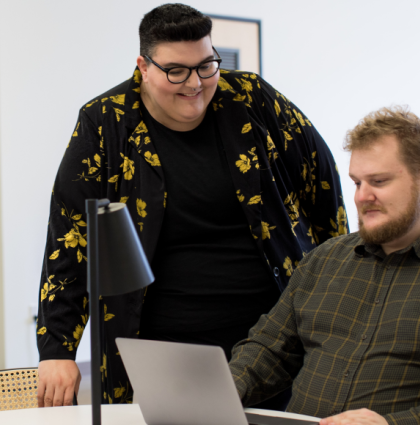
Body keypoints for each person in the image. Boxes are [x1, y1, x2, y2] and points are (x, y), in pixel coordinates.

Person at [36, 3, 347, 408]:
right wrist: (57, 349)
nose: (194, 83)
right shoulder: (105, 123)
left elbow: (322, 188)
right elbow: (72, 237)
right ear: (143, 67)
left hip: (272, 340)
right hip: (162, 346)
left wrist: (341, 294)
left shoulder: (252, 99)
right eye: (176, 71)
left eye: (206, 66)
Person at [229, 106, 420, 424]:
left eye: (378, 181)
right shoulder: (325, 260)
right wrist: (224, 389)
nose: (362, 196)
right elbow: (270, 348)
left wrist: (394, 424)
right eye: (357, 183)